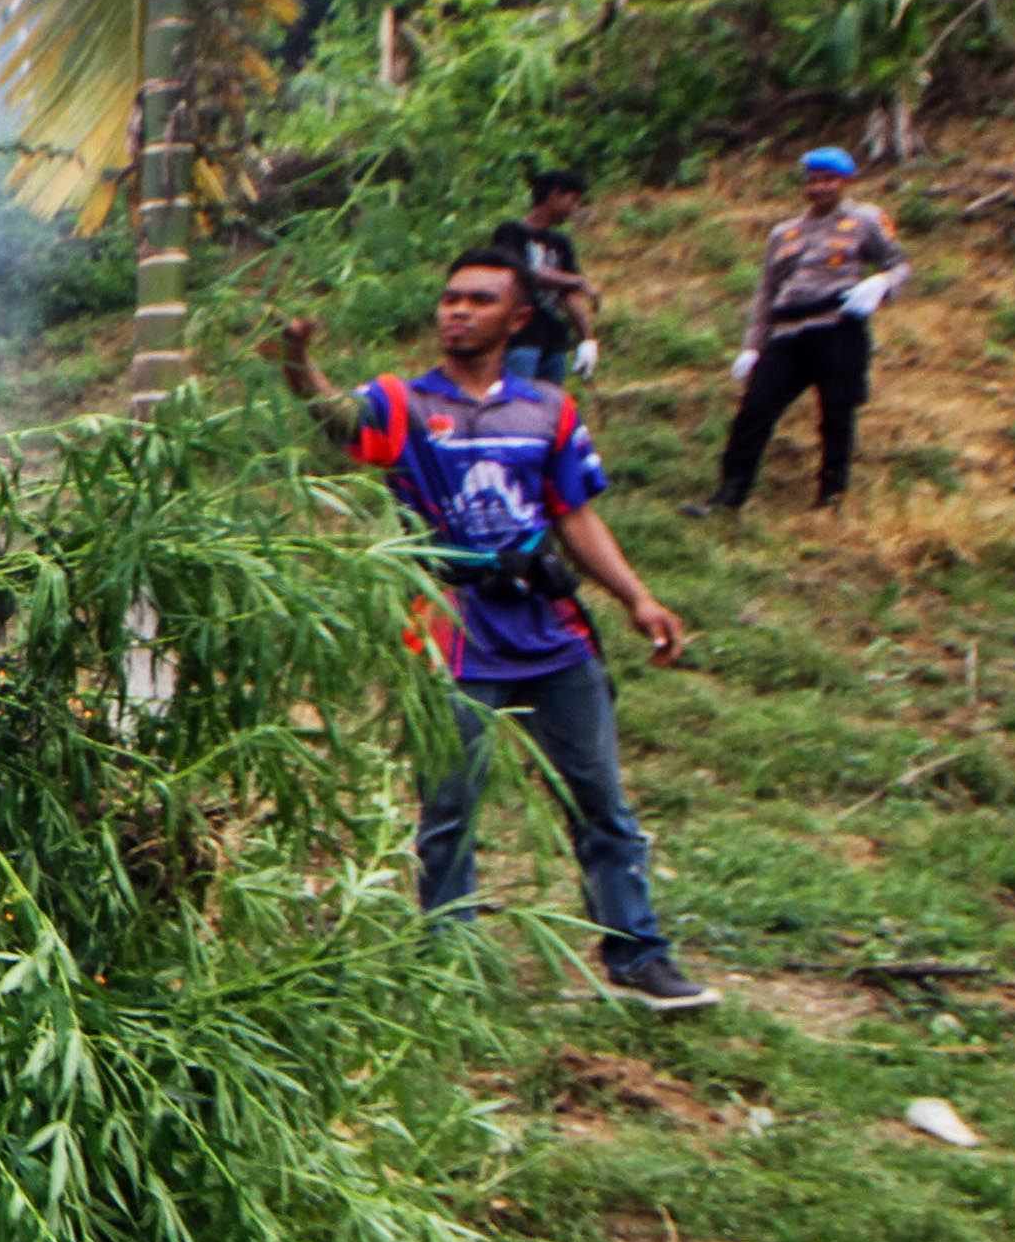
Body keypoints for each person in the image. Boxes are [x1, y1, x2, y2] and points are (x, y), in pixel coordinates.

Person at [272, 252, 718, 1013]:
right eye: (449, 298)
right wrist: (298, 362)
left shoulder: (548, 409)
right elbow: (340, 421)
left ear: (517, 320)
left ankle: (641, 954)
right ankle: (450, 961)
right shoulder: (402, 402)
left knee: (600, 801)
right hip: (451, 627)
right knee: (449, 808)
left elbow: (575, 514)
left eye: (480, 300)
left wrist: (638, 599)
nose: (458, 311)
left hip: (552, 630)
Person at [714, 148, 908, 513]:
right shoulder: (784, 232)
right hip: (788, 331)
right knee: (754, 410)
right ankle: (729, 495)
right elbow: (766, 292)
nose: (819, 188)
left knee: (836, 414)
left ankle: (830, 498)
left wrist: (881, 284)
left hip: (836, 326)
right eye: (812, 180)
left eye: (828, 181)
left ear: (845, 182)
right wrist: (752, 345)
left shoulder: (865, 220)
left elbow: (899, 264)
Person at [487, 170, 598, 389]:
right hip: (520, 339)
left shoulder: (561, 243)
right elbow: (524, 271)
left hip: (554, 341)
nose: (573, 208)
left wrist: (587, 339)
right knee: (516, 405)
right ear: (556, 194)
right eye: (572, 200)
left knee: (548, 411)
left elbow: (569, 296)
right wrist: (578, 281)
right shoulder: (511, 233)